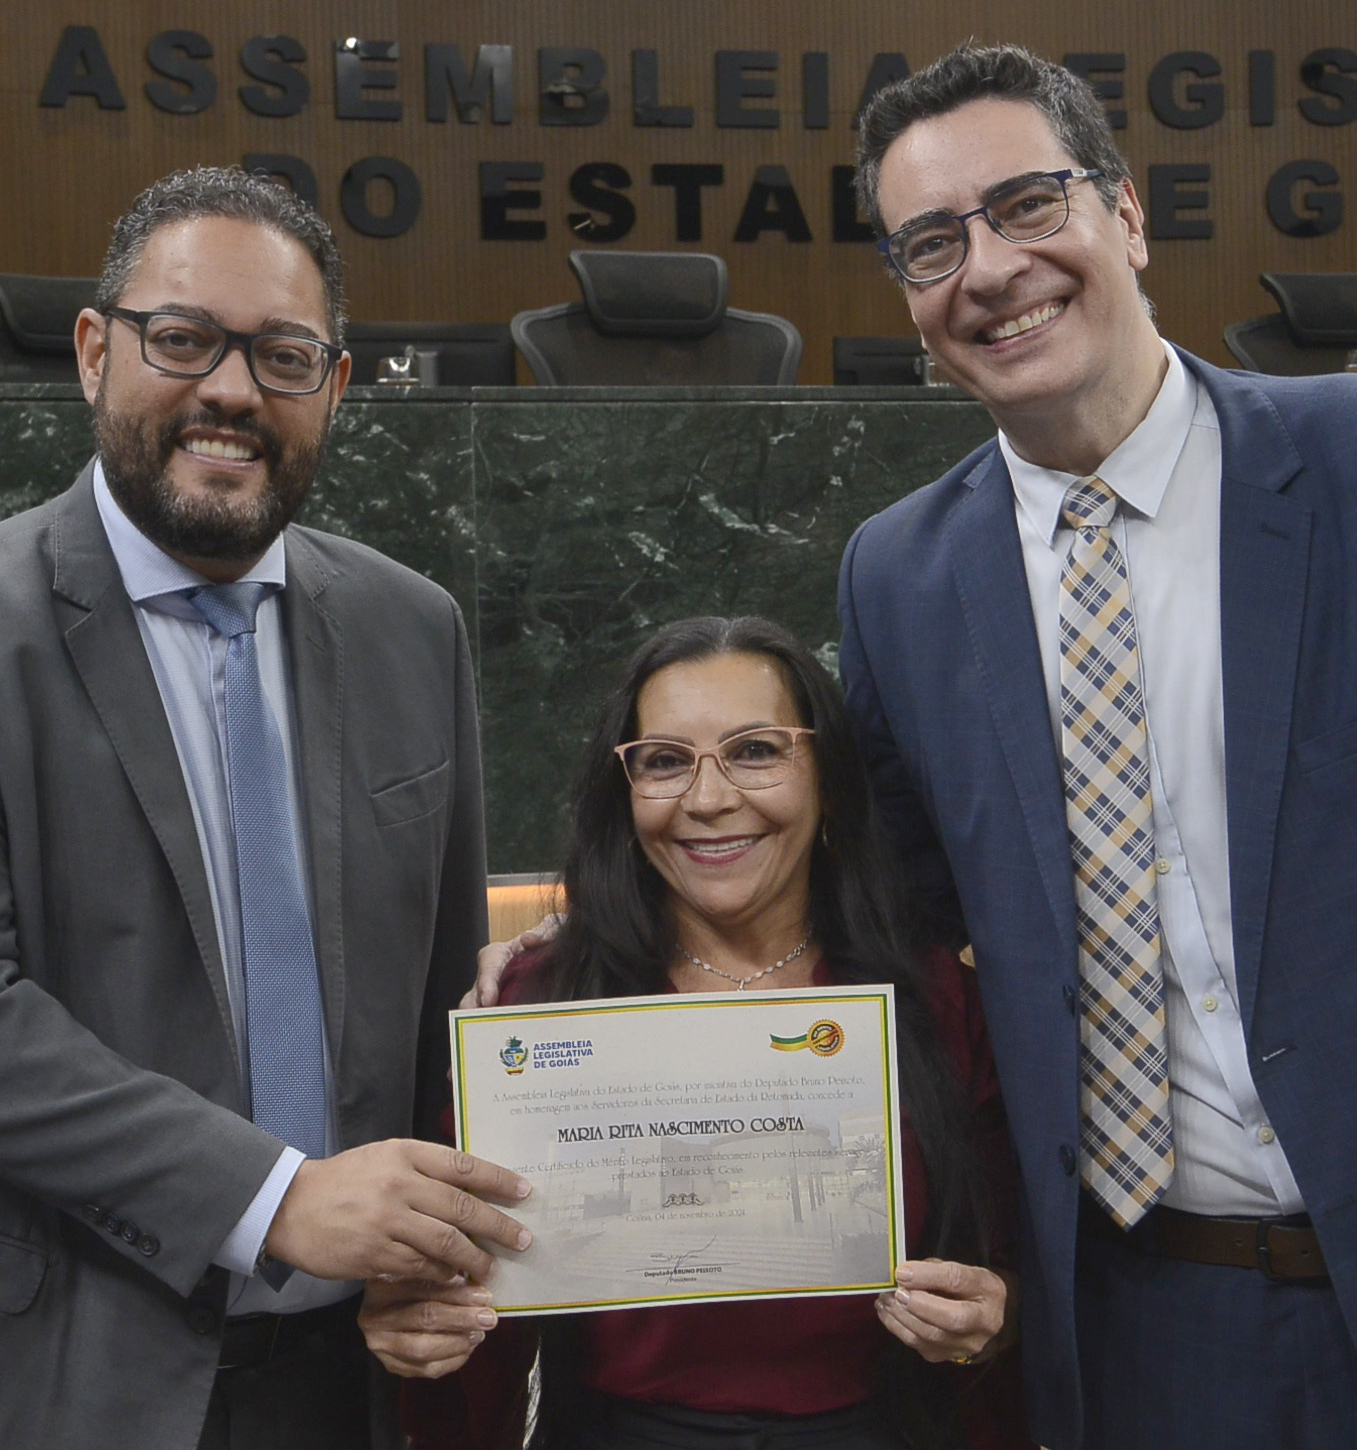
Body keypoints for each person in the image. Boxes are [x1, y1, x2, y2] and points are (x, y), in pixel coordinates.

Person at [831, 43, 1357, 1450]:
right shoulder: (897, 579)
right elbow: (890, 927)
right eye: (931, 243)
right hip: (1133, 1328)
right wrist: (595, 956)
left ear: (1125, 214)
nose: (988, 269)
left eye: (1028, 204)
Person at [0, 166, 530, 1450]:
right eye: (183, 338)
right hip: (19, 1371)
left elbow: (438, 1000)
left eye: (282, 354)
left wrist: (447, 1230)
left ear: (335, 386)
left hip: (339, 1375)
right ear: (94, 352)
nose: (232, 389)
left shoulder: (413, 627)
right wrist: (278, 1199)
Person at [384, 617, 1029, 1450]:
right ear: (623, 791)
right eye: (663, 760)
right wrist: (420, 1323)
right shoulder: (534, 1002)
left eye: (755, 750)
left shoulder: (936, 997)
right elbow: (461, 1286)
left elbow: (1020, 1259)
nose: (708, 797)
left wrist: (994, 1314)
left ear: (829, 777)